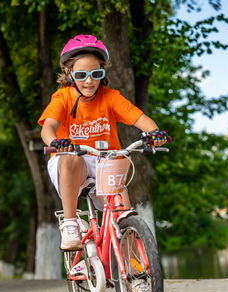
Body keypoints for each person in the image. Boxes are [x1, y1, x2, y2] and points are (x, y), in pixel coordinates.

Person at [39, 34, 171, 250]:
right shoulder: (62, 98)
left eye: (96, 74)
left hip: (104, 162)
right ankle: (70, 222)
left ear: (102, 73)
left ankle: (132, 267)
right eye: (81, 75)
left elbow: (140, 119)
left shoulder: (110, 97)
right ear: (68, 73)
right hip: (70, 163)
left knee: (124, 217)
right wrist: (56, 141)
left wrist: (155, 133)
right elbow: (48, 127)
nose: (89, 81)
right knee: (71, 157)